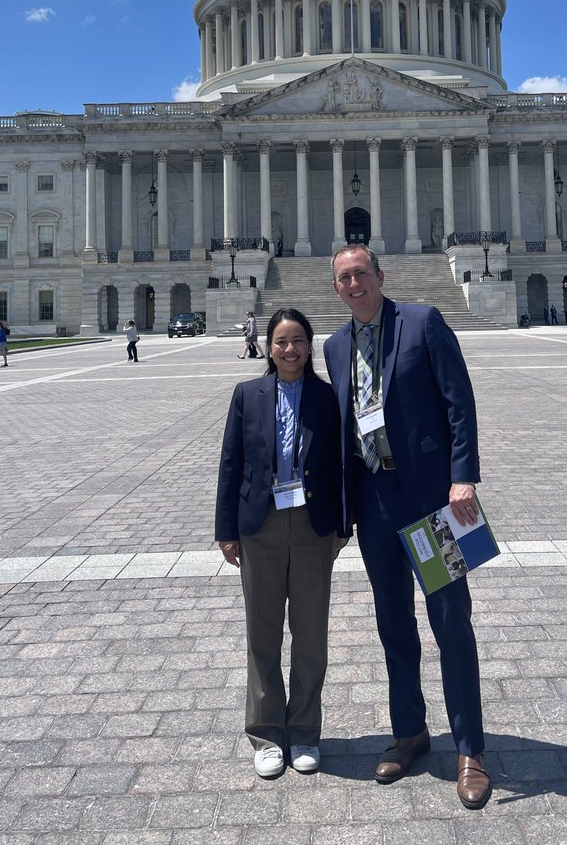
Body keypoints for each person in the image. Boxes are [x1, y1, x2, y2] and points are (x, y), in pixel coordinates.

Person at [323, 246, 491, 811]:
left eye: (360, 275)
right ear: (337, 287)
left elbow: (458, 403)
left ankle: (470, 749)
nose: (354, 285)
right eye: (344, 278)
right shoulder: (334, 345)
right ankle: (411, 731)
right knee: (392, 622)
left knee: (450, 619)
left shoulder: (421, 322)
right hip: (374, 502)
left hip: (428, 500)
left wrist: (462, 478)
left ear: (379, 277)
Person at [216, 308, 346, 780]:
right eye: (280, 342)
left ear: (310, 346)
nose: (289, 349)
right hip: (260, 526)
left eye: (297, 341)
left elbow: (339, 466)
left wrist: (342, 527)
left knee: (311, 635)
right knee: (262, 635)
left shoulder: (327, 397)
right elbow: (231, 464)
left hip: (313, 528)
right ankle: (268, 733)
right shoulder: (247, 395)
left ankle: (306, 731)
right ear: (267, 347)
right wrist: (225, 530)